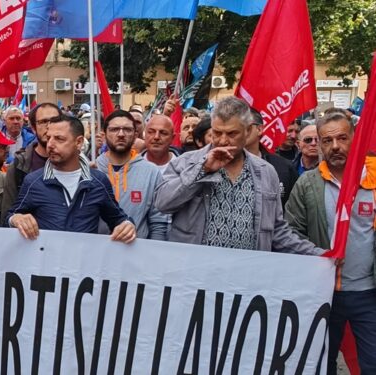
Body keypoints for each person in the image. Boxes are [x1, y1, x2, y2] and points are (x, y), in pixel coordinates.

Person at [154, 96, 322, 254]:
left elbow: (277, 230)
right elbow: (163, 203)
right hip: (196, 273)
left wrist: (317, 255)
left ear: (248, 131)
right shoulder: (186, 163)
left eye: (232, 133)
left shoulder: (266, 172)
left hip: (245, 275)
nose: (223, 141)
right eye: (217, 133)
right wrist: (202, 170)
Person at [285, 112, 376, 374]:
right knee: (320, 364)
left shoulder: (373, 179)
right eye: (327, 141)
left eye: (342, 138)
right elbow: (290, 232)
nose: (335, 146)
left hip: (368, 293)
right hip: (324, 294)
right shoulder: (307, 184)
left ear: (355, 138)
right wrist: (319, 255)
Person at [6, 115, 136, 242]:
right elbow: (11, 215)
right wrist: (16, 219)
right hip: (47, 261)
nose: (50, 144)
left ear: (78, 142)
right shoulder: (33, 181)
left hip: (84, 261)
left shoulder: (98, 182)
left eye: (59, 139)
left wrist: (127, 225)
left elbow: (117, 218)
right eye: (48, 137)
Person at [95, 110, 168, 240]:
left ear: (135, 135)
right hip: (97, 253)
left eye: (127, 130)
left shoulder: (151, 172)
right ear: (104, 134)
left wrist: (154, 255)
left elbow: (158, 222)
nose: (121, 134)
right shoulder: (93, 170)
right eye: (114, 129)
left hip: (136, 254)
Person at [0, 103, 62, 224]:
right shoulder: (19, 166)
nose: (49, 126)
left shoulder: (76, 163)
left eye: (54, 121)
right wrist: (15, 219)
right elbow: (7, 214)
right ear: (33, 128)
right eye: (43, 122)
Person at [245, 109, 298, 208]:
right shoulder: (222, 166)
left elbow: (293, 211)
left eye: (246, 127)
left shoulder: (283, 167)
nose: (239, 132)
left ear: (259, 129)